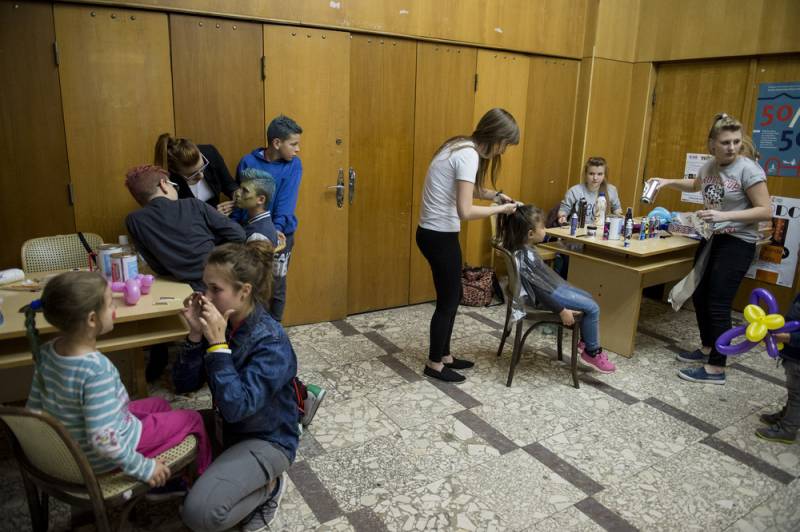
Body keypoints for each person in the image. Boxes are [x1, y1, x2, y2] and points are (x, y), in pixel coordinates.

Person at [24, 271, 211, 491]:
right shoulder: (96, 370)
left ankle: (167, 478)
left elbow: (33, 410)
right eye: (110, 303)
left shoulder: (47, 350)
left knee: (159, 404)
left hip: (78, 441)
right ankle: (203, 483)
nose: (114, 308)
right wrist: (143, 468)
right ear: (92, 319)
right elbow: (102, 439)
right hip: (101, 458)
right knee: (193, 418)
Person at [172, 241, 301, 532]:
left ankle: (270, 487)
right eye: (204, 286)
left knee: (199, 514)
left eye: (215, 289)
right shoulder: (225, 323)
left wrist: (217, 346)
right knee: (158, 431)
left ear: (244, 291)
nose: (205, 297)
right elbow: (183, 385)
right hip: (227, 429)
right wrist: (195, 336)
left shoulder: (270, 341)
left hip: (267, 440)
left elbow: (236, 407)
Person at [651, 113, 771, 385]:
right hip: (712, 238)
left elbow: (765, 210)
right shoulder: (709, 166)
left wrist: (724, 216)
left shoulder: (748, 170)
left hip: (738, 242)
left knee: (718, 302)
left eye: (736, 141)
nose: (732, 147)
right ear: (712, 144)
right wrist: (667, 182)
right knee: (701, 295)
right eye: (725, 142)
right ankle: (707, 347)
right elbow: (696, 184)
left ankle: (717, 368)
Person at [416, 108, 520, 384]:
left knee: (452, 295)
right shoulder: (468, 155)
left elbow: (466, 187)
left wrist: (495, 196)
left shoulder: (461, 145)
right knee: (448, 300)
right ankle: (434, 364)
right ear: (496, 137)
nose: (504, 151)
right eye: (505, 144)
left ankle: (445, 355)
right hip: (439, 235)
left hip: (434, 233)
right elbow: (465, 210)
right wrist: (500, 210)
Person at [124, 164, 245, 382]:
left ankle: (160, 360)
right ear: (164, 185)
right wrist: (212, 250)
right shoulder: (192, 204)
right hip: (216, 284)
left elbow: (156, 265)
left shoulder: (134, 220)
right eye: (173, 184)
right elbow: (238, 234)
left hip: (177, 286)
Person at [498, 205, 617, 373]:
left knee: (587, 296)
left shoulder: (521, 248)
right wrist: (561, 310)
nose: (545, 229)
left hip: (549, 292)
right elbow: (539, 292)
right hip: (545, 298)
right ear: (530, 234)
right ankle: (592, 352)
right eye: (543, 227)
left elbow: (539, 285)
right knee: (593, 307)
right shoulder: (524, 256)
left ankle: (584, 343)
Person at [237, 115, 303, 322]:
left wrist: (276, 230)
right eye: (293, 144)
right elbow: (243, 198)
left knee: (276, 284)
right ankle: (253, 327)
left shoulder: (293, 165)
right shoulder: (248, 162)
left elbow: (286, 202)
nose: (298, 149)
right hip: (250, 232)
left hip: (281, 234)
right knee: (251, 283)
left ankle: (275, 330)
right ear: (276, 143)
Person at [154, 133, 239, 214]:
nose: (201, 176)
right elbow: (177, 217)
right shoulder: (168, 182)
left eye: (203, 167)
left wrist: (237, 195)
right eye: (193, 175)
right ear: (175, 172)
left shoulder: (210, 153)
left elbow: (229, 184)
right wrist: (212, 215)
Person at [756, 292, 800, 443]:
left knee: (797, 395)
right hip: (792, 354)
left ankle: (787, 429)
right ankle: (788, 416)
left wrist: (787, 337)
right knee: (794, 391)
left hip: (797, 357)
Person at [557, 156, 622, 225]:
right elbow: (563, 210)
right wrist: (562, 217)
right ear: (585, 174)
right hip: (577, 229)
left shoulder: (611, 190)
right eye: (591, 174)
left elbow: (617, 210)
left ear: (604, 175)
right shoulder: (575, 191)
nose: (595, 178)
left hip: (601, 229)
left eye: (600, 174)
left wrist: (619, 216)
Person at [237, 168, 279, 246]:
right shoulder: (252, 221)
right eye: (240, 188)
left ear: (261, 199)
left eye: (245, 191)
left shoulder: (257, 237)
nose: (237, 193)